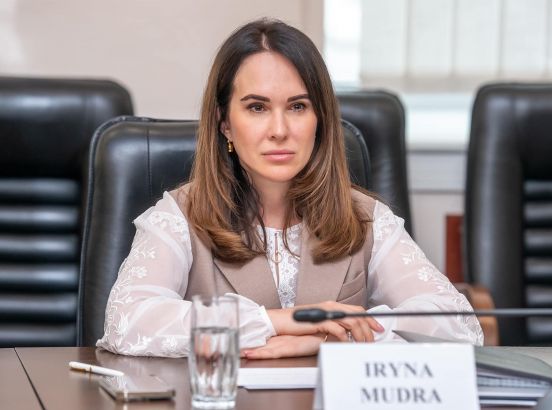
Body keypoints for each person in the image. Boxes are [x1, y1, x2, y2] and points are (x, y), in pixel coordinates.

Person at [97, 18, 483, 358]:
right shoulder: (178, 216)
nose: (279, 130)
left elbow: (460, 325)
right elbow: (126, 321)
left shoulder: (366, 218)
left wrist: (329, 340)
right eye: (257, 107)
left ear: (320, 120)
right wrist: (278, 321)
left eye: (298, 106)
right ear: (224, 123)